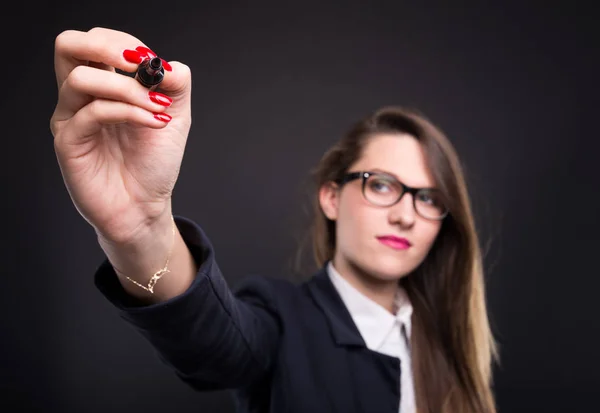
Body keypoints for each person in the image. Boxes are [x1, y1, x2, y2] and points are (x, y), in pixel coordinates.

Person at [50, 27, 500, 413]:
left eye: (427, 198)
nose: (405, 215)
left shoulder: (451, 342)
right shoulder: (280, 323)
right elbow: (213, 346)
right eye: (381, 184)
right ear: (331, 197)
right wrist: (141, 226)